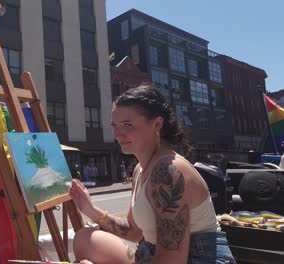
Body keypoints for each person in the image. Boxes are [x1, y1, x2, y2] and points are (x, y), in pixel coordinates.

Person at [68, 85, 236, 264]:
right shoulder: (140, 169)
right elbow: (133, 231)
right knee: (85, 238)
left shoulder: (168, 170)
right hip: (153, 253)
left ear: (157, 124)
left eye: (127, 125)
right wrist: (89, 209)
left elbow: (171, 260)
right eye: (114, 125)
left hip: (198, 258)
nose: (117, 134)